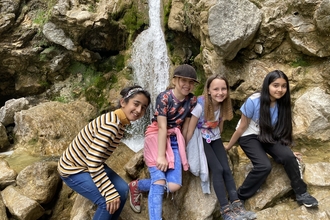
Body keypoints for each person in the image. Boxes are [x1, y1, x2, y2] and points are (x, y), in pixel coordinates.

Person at [225, 70, 318, 208]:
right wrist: (228, 146)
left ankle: (301, 193)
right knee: (264, 166)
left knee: (288, 157)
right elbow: (242, 127)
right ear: (267, 85)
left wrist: (287, 152)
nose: (280, 90)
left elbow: (279, 131)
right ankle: (239, 197)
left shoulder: (282, 104)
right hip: (248, 135)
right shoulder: (254, 100)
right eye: (276, 85)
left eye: (283, 86)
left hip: (267, 135)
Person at [57, 85, 151, 220]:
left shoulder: (119, 121)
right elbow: (93, 162)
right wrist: (109, 192)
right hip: (73, 170)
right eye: (136, 104)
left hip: (88, 164)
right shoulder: (111, 125)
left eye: (143, 107)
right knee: (107, 200)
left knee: (123, 190)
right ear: (123, 102)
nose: (138, 110)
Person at [128, 64, 198, 220]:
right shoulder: (164, 97)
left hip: (174, 139)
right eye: (183, 80)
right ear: (174, 80)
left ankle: (137, 185)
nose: (187, 85)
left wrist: (183, 148)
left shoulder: (191, 100)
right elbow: (161, 127)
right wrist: (161, 156)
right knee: (159, 183)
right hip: (156, 137)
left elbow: (186, 127)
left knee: (174, 185)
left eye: (191, 82)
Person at [185, 74, 256, 220]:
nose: (220, 92)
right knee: (217, 169)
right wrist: (184, 150)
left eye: (224, 89)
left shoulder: (223, 105)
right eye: (216, 89)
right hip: (201, 138)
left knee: (226, 169)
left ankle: (236, 205)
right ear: (208, 91)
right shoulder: (200, 105)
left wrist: (219, 142)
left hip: (215, 136)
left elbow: (220, 127)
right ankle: (225, 210)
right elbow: (191, 130)